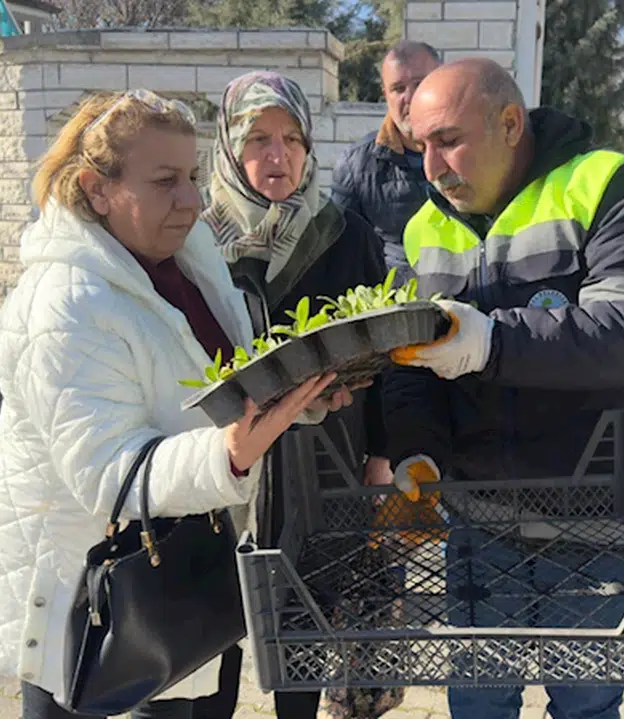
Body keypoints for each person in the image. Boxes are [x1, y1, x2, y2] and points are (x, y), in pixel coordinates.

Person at [0, 89, 353, 719]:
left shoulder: (186, 260)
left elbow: (214, 390)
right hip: (89, 597)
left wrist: (294, 397)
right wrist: (229, 455)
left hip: (179, 574)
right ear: (97, 189)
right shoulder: (65, 304)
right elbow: (108, 473)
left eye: (193, 176)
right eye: (165, 180)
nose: (193, 200)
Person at [383, 59, 624, 719]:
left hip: (599, 524)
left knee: (585, 707)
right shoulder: (422, 230)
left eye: (448, 140)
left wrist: (493, 343)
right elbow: (411, 368)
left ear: (509, 123)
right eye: (421, 145)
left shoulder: (611, 184)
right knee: (478, 703)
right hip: (480, 523)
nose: (432, 167)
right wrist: (417, 452)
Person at [201, 71, 404, 719]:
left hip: (327, 458)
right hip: (222, 462)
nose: (278, 155)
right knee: (214, 626)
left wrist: (382, 457)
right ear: (230, 147)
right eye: (258, 138)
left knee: (308, 617)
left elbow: (387, 355)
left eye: (292, 139)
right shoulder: (198, 243)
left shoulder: (346, 235)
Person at [331, 40, 442, 282]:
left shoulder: (475, 152)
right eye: (398, 88)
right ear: (386, 96)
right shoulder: (355, 166)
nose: (410, 97)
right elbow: (342, 257)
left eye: (420, 84)